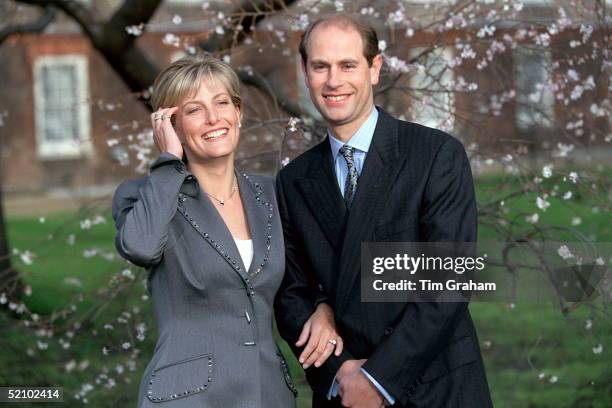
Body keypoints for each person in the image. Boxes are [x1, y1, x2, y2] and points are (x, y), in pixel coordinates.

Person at [274, 14, 493, 408]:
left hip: (434, 388)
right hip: (343, 392)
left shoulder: (435, 155)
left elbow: (446, 282)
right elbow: (291, 293)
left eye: (347, 65)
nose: (333, 81)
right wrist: (337, 373)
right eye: (320, 66)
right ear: (305, 72)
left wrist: (377, 379)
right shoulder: (294, 180)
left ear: (374, 69)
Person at [112, 55, 342, 408]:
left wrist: (323, 307)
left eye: (222, 103)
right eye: (194, 110)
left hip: (269, 393)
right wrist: (168, 163)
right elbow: (141, 248)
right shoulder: (146, 196)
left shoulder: (271, 194)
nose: (213, 118)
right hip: (187, 398)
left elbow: (305, 277)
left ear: (238, 113)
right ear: (171, 125)